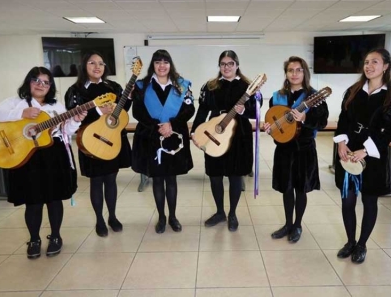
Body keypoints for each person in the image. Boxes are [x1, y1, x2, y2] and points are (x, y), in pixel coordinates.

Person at [0, 67, 86, 259]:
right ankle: (34, 239)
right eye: (36, 80)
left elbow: (67, 131)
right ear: (28, 82)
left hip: (53, 155)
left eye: (46, 82)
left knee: (54, 198)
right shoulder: (16, 103)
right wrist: (21, 113)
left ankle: (56, 236)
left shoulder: (56, 106)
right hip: (26, 156)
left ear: (51, 86)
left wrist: (75, 119)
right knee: (33, 201)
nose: (41, 85)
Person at [334, 48, 391, 263]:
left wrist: (365, 150)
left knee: (369, 200)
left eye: (375, 62)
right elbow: (344, 119)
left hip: (372, 156)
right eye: (366, 62)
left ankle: (362, 244)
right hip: (348, 154)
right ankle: (350, 242)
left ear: (385, 66)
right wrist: (341, 143)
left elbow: (390, 130)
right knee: (347, 201)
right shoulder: (353, 91)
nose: (369, 66)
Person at [191, 50, 261, 232]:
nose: (226, 67)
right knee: (215, 176)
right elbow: (202, 110)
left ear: (237, 65)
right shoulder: (211, 86)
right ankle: (220, 212)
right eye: (223, 64)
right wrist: (195, 132)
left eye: (230, 63)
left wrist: (243, 111)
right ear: (219, 66)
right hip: (214, 134)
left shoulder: (248, 86)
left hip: (239, 136)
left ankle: (232, 214)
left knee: (235, 176)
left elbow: (256, 112)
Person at [65, 51, 132, 237]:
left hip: (111, 140)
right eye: (92, 63)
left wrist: (130, 97)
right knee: (96, 181)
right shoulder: (76, 90)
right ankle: (99, 220)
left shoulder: (114, 86)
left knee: (111, 179)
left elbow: (122, 111)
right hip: (91, 142)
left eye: (101, 63)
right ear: (84, 66)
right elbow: (72, 113)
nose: (97, 67)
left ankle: (112, 216)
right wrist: (97, 110)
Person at [264, 56, 329, 243]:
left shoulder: (314, 97)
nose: (294, 73)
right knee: (286, 189)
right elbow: (273, 122)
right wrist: (270, 129)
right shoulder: (277, 96)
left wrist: (305, 119)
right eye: (290, 70)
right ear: (286, 73)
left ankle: (298, 225)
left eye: (298, 70)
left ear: (304, 73)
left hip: (304, 150)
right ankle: (287, 224)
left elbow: (322, 122)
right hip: (284, 150)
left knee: (300, 189)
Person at [132, 49, 194, 233]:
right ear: (153, 65)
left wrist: (171, 124)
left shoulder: (181, 85)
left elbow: (189, 109)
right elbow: (137, 112)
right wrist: (157, 126)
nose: (162, 66)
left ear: (170, 64)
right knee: (157, 179)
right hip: (151, 137)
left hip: (174, 137)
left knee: (171, 179)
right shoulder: (142, 86)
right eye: (158, 62)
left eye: (165, 62)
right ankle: (161, 217)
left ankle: (173, 217)